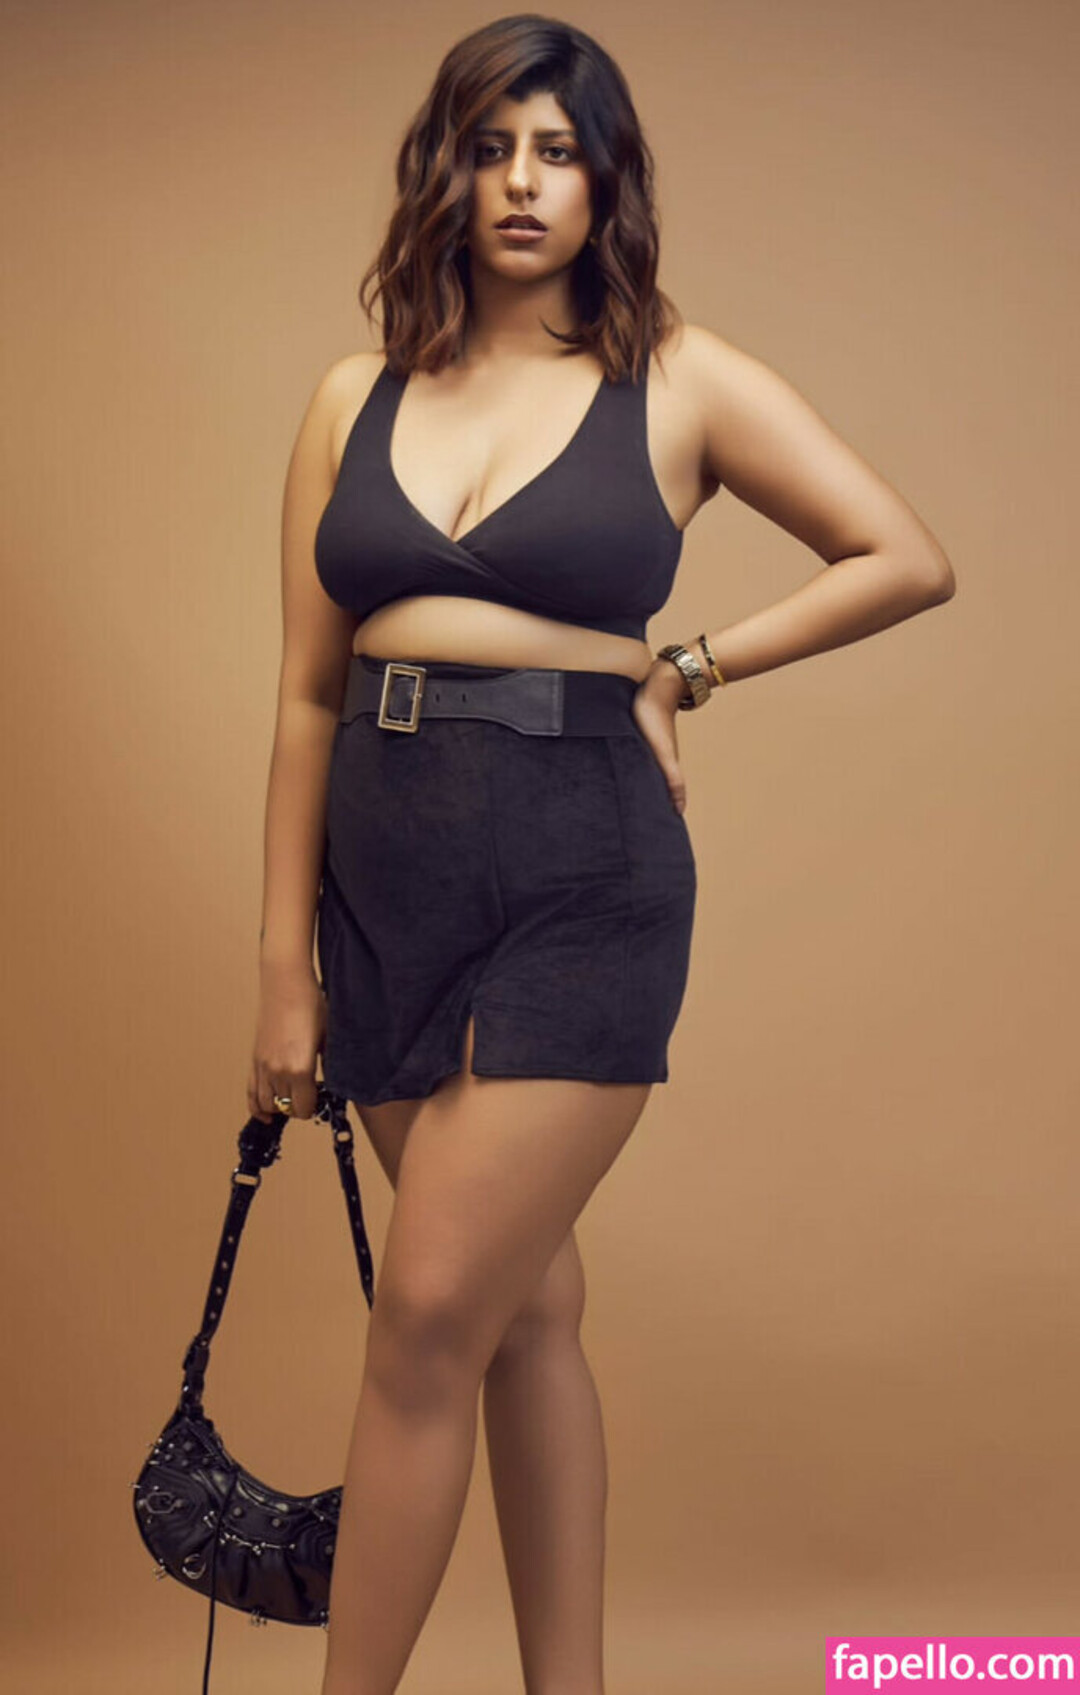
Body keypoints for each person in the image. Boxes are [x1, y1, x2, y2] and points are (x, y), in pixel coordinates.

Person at [246, 15, 956, 1695]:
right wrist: (281, 969)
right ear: (443, 171)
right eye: (490, 146)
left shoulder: (680, 378)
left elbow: (902, 554)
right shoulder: (350, 396)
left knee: (430, 1311)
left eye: (558, 152)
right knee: (526, 1313)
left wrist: (689, 664)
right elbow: (303, 696)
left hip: (588, 875)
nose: (521, 182)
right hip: (384, 890)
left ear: (605, 183)